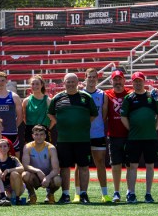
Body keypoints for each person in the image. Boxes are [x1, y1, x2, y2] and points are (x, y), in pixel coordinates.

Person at [47, 72, 98, 204]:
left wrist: (81, 124)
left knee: (84, 167)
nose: (70, 84)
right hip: (64, 139)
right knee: (64, 167)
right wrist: (61, 123)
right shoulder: (57, 98)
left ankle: (83, 194)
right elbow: (51, 114)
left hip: (82, 139)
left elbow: (93, 114)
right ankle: (65, 195)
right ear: (63, 83)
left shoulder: (86, 97)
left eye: (72, 82)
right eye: (67, 82)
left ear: (77, 83)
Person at [121, 71, 158, 204]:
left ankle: (148, 193)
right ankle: (131, 193)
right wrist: (132, 129)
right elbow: (123, 117)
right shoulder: (129, 98)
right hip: (134, 138)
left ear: (144, 81)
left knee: (150, 165)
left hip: (150, 138)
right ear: (132, 83)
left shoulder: (152, 96)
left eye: (140, 80)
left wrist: (154, 128)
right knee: (132, 166)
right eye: (135, 81)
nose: (138, 83)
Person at [77, 68, 110, 202]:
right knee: (80, 165)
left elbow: (104, 115)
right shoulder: (79, 94)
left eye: (93, 77)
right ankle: (78, 193)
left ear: (97, 79)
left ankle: (104, 193)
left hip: (98, 134)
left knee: (100, 163)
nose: (91, 79)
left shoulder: (103, 95)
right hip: (83, 135)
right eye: (89, 77)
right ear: (85, 78)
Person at [105, 69, 132, 202]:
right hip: (114, 135)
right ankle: (116, 192)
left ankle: (129, 191)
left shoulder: (130, 93)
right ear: (111, 81)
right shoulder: (107, 94)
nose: (117, 82)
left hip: (129, 135)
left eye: (119, 79)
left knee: (130, 165)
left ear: (124, 80)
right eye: (115, 79)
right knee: (115, 165)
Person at [21, 124, 61, 205]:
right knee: (25, 175)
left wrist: (48, 177)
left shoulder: (51, 148)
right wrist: (38, 171)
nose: (39, 137)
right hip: (35, 176)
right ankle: (32, 195)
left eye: (41, 134)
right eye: (36, 134)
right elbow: (25, 165)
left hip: (48, 176)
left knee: (58, 180)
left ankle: (50, 194)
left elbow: (56, 169)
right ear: (32, 136)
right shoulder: (28, 147)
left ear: (45, 136)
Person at [0, 138, 24, 205]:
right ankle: (4, 196)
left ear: (8, 148)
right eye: (0, 146)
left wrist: (8, 170)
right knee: (8, 197)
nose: (3, 148)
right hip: (3, 187)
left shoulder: (13, 159)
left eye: (5, 146)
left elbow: (22, 168)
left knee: (14, 173)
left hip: (16, 186)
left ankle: (17, 197)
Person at [22, 75, 51, 143]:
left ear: (42, 85)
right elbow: (24, 117)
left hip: (43, 131)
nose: (35, 86)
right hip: (30, 132)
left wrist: (47, 128)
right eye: (33, 84)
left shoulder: (48, 100)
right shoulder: (26, 101)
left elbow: (53, 118)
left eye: (37, 84)